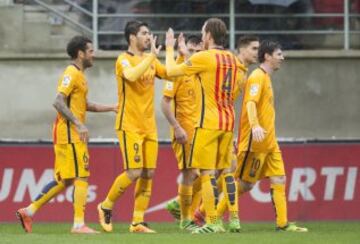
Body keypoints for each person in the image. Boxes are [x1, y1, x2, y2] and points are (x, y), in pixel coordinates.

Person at [16, 35, 118, 234]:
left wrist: (111, 107)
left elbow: (84, 105)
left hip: (68, 132)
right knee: (82, 175)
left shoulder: (80, 75)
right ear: (80, 54)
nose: (93, 55)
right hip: (68, 133)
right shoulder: (71, 73)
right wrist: (79, 124)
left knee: (67, 180)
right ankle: (78, 224)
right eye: (90, 51)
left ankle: (29, 211)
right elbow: (58, 101)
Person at [165, 18, 247, 234]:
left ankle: (211, 222)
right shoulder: (231, 58)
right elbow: (240, 81)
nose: (202, 36)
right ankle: (227, 220)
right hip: (228, 123)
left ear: (209, 35)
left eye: (203, 32)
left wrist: (169, 49)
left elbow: (171, 72)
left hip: (207, 123)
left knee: (207, 174)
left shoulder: (204, 57)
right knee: (226, 172)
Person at [97, 20, 167, 234]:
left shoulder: (150, 60)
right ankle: (105, 205)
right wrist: (153, 57)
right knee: (134, 171)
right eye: (144, 33)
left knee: (148, 173)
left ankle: (137, 221)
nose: (149, 36)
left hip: (149, 126)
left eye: (149, 32)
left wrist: (176, 51)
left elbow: (170, 73)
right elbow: (131, 76)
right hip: (129, 124)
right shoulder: (123, 60)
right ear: (132, 37)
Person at [235, 40, 308, 232]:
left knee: (279, 179)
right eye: (279, 54)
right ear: (267, 56)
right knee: (245, 184)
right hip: (255, 142)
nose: (282, 58)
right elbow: (250, 103)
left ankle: (282, 224)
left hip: (270, 141)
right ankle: (209, 216)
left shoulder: (266, 77)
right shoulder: (257, 77)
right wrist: (255, 125)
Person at [193, 35, 260, 228]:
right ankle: (208, 215)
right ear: (242, 49)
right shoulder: (232, 65)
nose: (258, 52)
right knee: (215, 172)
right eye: (254, 48)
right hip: (213, 122)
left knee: (223, 170)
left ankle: (222, 219)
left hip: (221, 124)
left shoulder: (243, 71)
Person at [161, 34, 203, 230]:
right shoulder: (176, 71)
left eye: (198, 51)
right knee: (189, 173)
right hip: (184, 130)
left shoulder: (198, 71)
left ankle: (180, 205)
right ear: (183, 49)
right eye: (192, 50)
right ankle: (186, 219)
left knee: (204, 173)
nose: (195, 54)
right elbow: (164, 104)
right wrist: (177, 127)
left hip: (201, 130)